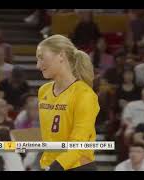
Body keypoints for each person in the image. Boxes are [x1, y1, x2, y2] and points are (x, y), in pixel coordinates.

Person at [36, 34, 100, 171]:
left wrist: (55, 167)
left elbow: (79, 144)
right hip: (49, 165)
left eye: (42, 58)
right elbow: (50, 134)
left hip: (76, 166)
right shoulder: (43, 91)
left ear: (61, 56)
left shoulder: (84, 94)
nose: (38, 65)